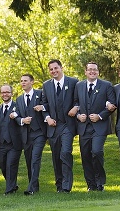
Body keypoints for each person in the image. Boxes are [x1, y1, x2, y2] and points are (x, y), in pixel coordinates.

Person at [36, 59, 79, 193]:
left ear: (61, 68)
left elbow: (79, 100)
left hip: (67, 125)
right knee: (56, 157)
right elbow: (45, 105)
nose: (54, 71)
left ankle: (66, 186)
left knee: (65, 153)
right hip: (53, 126)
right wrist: (47, 118)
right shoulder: (46, 85)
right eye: (51, 69)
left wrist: (76, 107)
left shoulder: (73, 82)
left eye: (56, 68)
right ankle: (59, 185)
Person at [75, 62, 115, 191]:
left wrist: (100, 115)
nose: (92, 72)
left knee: (96, 152)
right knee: (85, 155)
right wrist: (78, 115)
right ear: (85, 72)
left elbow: (112, 105)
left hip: (100, 126)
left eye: (95, 70)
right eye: (90, 70)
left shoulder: (106, 85)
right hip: (84, 127)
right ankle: (91, 185)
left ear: (98, 72)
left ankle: (100, 182)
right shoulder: (79, 85)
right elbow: (75, 103)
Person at [14, 74, 46, 195]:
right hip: (26, 135)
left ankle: (31, 188)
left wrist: (42, 107)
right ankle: (35, 185)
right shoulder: (19, 99)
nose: (23, 83)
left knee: (35, 159)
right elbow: (16, 115)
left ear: (32, 82)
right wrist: (22, 120)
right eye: (21, 81)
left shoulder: (41, 94)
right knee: (29, 160)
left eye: (25, 81)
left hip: (39, 133)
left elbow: (48, 106)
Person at [0, 84, 22, 195]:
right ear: (0, 94)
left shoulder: (18, 106)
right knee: (2, 165)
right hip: (1, 143)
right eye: (3, 92)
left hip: (14, 143)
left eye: (7, 92)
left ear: (12, 93)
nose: (5, 94)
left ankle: (9, 190)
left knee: (11, 165)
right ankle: (13, 184)